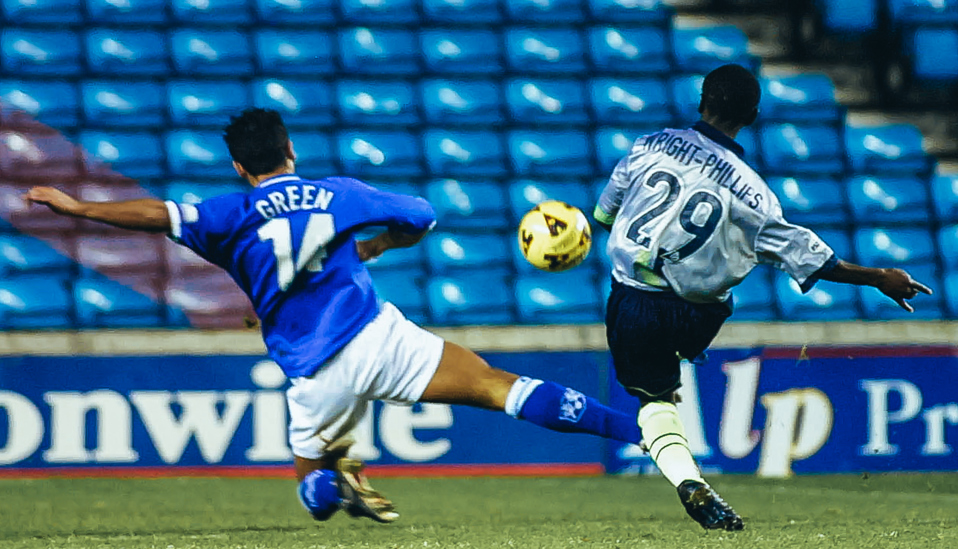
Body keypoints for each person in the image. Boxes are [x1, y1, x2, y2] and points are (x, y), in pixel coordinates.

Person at [27, 108, 642, 524]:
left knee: (313, 494)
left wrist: (77, 207)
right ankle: (644, 433)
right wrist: (379, 244)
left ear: (240, 168)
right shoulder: (337, 192)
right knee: (499, 387)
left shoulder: (227, 213)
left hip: (313, 372)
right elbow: (421, 215)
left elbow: (156, 215)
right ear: (291, 151)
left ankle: (335, 481)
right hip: (376, 335)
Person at [593, 63, 933, 531]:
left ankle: (687, 479)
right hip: (696, 314)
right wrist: (879, 277)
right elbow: (813, 258)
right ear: (752, 115)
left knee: (654, 402)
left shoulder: (649, 145)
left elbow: (605, 214)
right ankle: (691, 347)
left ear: (701, 102)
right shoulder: (755, 196)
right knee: (734, 270)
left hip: (630, 300)